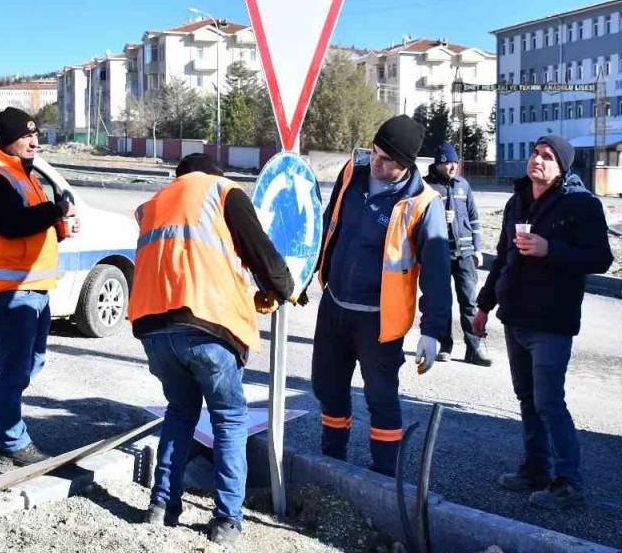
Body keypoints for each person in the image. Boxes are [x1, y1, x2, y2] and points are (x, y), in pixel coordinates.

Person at [129, 153, 294, 547]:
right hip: (207, 325)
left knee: (181, 412)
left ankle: (161, 506)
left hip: (154, 330)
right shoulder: (222, 191)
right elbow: (260, 251)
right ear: (210, 174)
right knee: (229, 419)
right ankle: (226, 521)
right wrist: (284, 287)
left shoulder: (154, 204)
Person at [473, 135, 613, 509]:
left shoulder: (580, 204)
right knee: (527, 399)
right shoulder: (516, 201)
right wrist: (484, 306)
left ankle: (569, 484)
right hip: (515, 317)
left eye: (547, 156)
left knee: (549, 402)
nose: (538, 159)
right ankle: (536, 468)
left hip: (551, 321)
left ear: (562, 168)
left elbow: (600, 257)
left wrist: (551, 249)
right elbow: (502, 257)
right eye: (535, 152)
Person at [311, 115, 452, 477]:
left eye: (388, 159)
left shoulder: (423, 203)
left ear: (407, 165)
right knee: (329, 388)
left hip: (379, 319)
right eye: (375, 152)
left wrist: (433, 331)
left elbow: (437, 273)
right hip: (336, 305)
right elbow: (330, 226)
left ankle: (385, 477)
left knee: (381, 399)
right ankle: (331, 462)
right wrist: (305, 272)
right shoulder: (351, 174)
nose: (377, 161)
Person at [0, 108, 76, 467]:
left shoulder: (25, 175)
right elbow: (10, 224)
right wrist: (54, 212)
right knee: (14, 370)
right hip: (8, 291)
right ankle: (12, 440)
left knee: (29, 365)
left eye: (35, 134)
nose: (34, 141)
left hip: (34, 287)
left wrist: (61, 222)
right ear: (7, 139)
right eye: (26, 136)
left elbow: (36, 224)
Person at [424, 142, 491, 367]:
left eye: (454, 162)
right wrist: (439, 218)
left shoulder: (463, 185)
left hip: (465, 254)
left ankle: (475, 348)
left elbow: (474, 218)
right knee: (441, 302)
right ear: (438, 163)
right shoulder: (426, 187)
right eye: (447, 163)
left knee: (470, 302)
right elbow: (417, 219)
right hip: (438, 253)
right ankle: (445, 346)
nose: (452, 167)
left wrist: (478, 248)